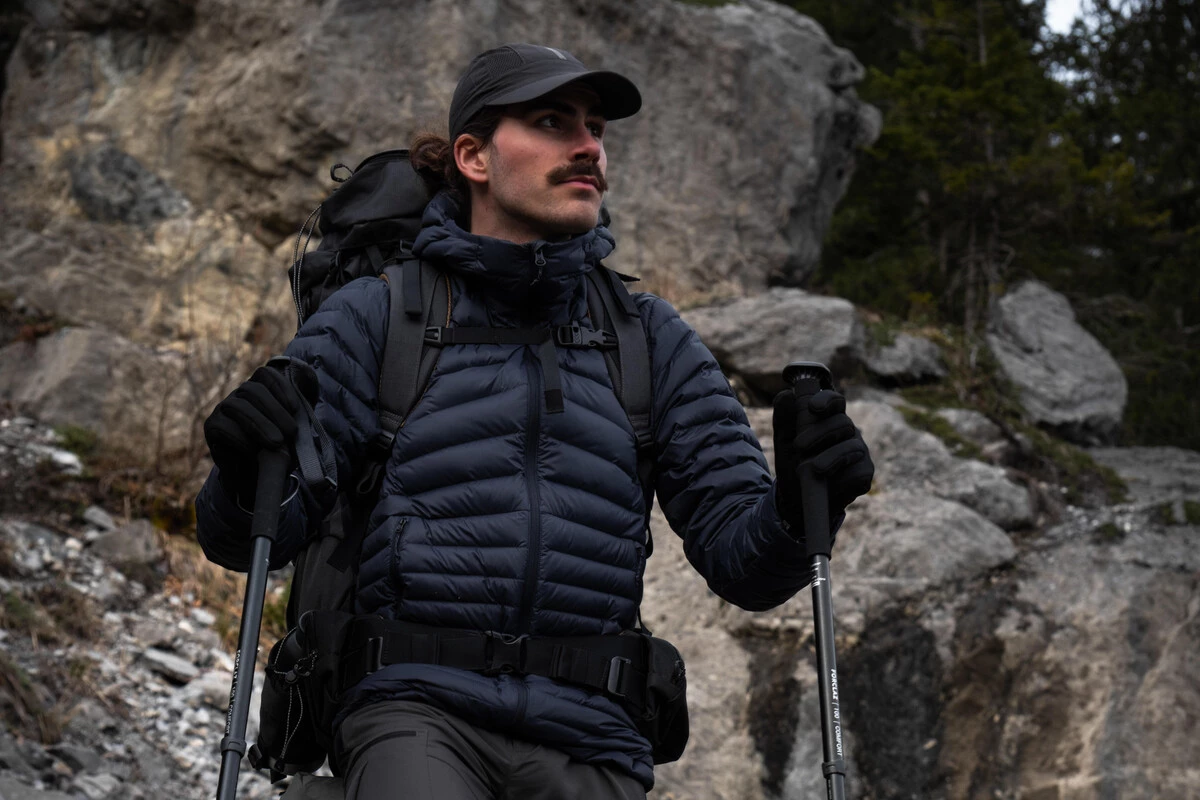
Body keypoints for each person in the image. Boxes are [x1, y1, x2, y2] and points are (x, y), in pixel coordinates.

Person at [196, 42, 874, 800]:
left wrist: (800, 508)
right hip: (415, 710)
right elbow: (249, 536)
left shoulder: (649, 337)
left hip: (595, 735)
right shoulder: (381, 315)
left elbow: (744, 567)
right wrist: (241, 470)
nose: (588, 147)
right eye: (553, 122)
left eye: (595, 129)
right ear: (474, 157)